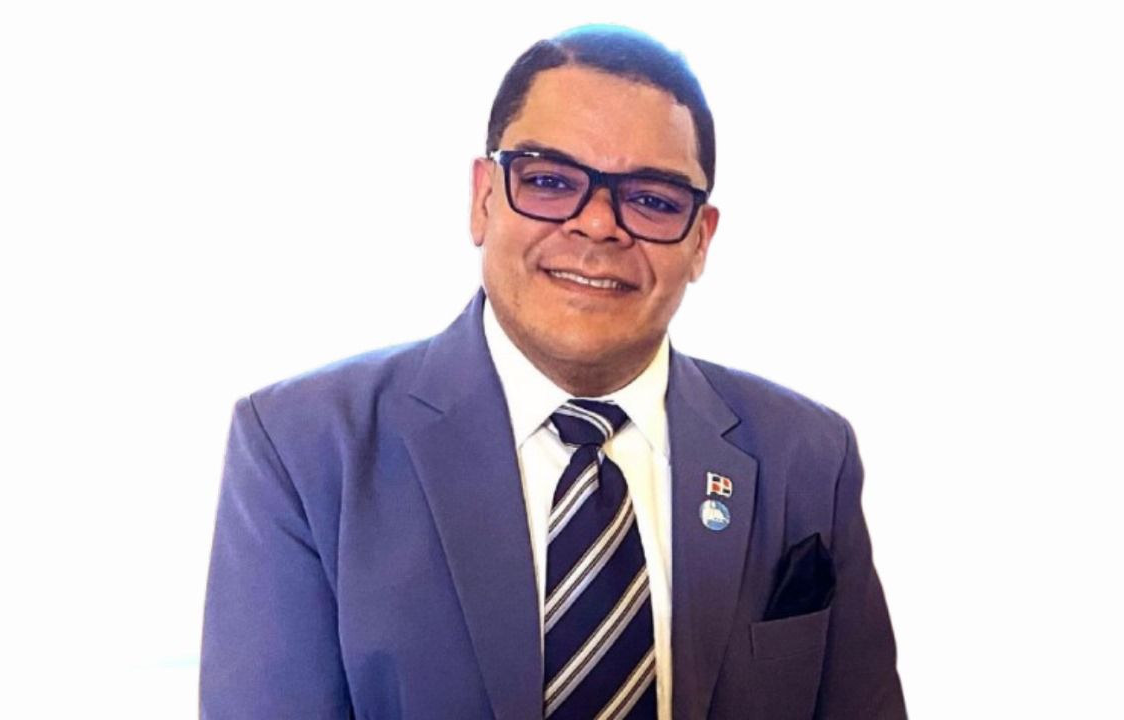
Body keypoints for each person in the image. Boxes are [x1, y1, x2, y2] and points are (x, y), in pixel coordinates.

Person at [201, 24, 905, 720]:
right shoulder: (302, 448)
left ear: (700, 240)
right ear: (483, 198)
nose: (598, 225)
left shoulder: (807, 457)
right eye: (549, 181)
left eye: (653, 200)